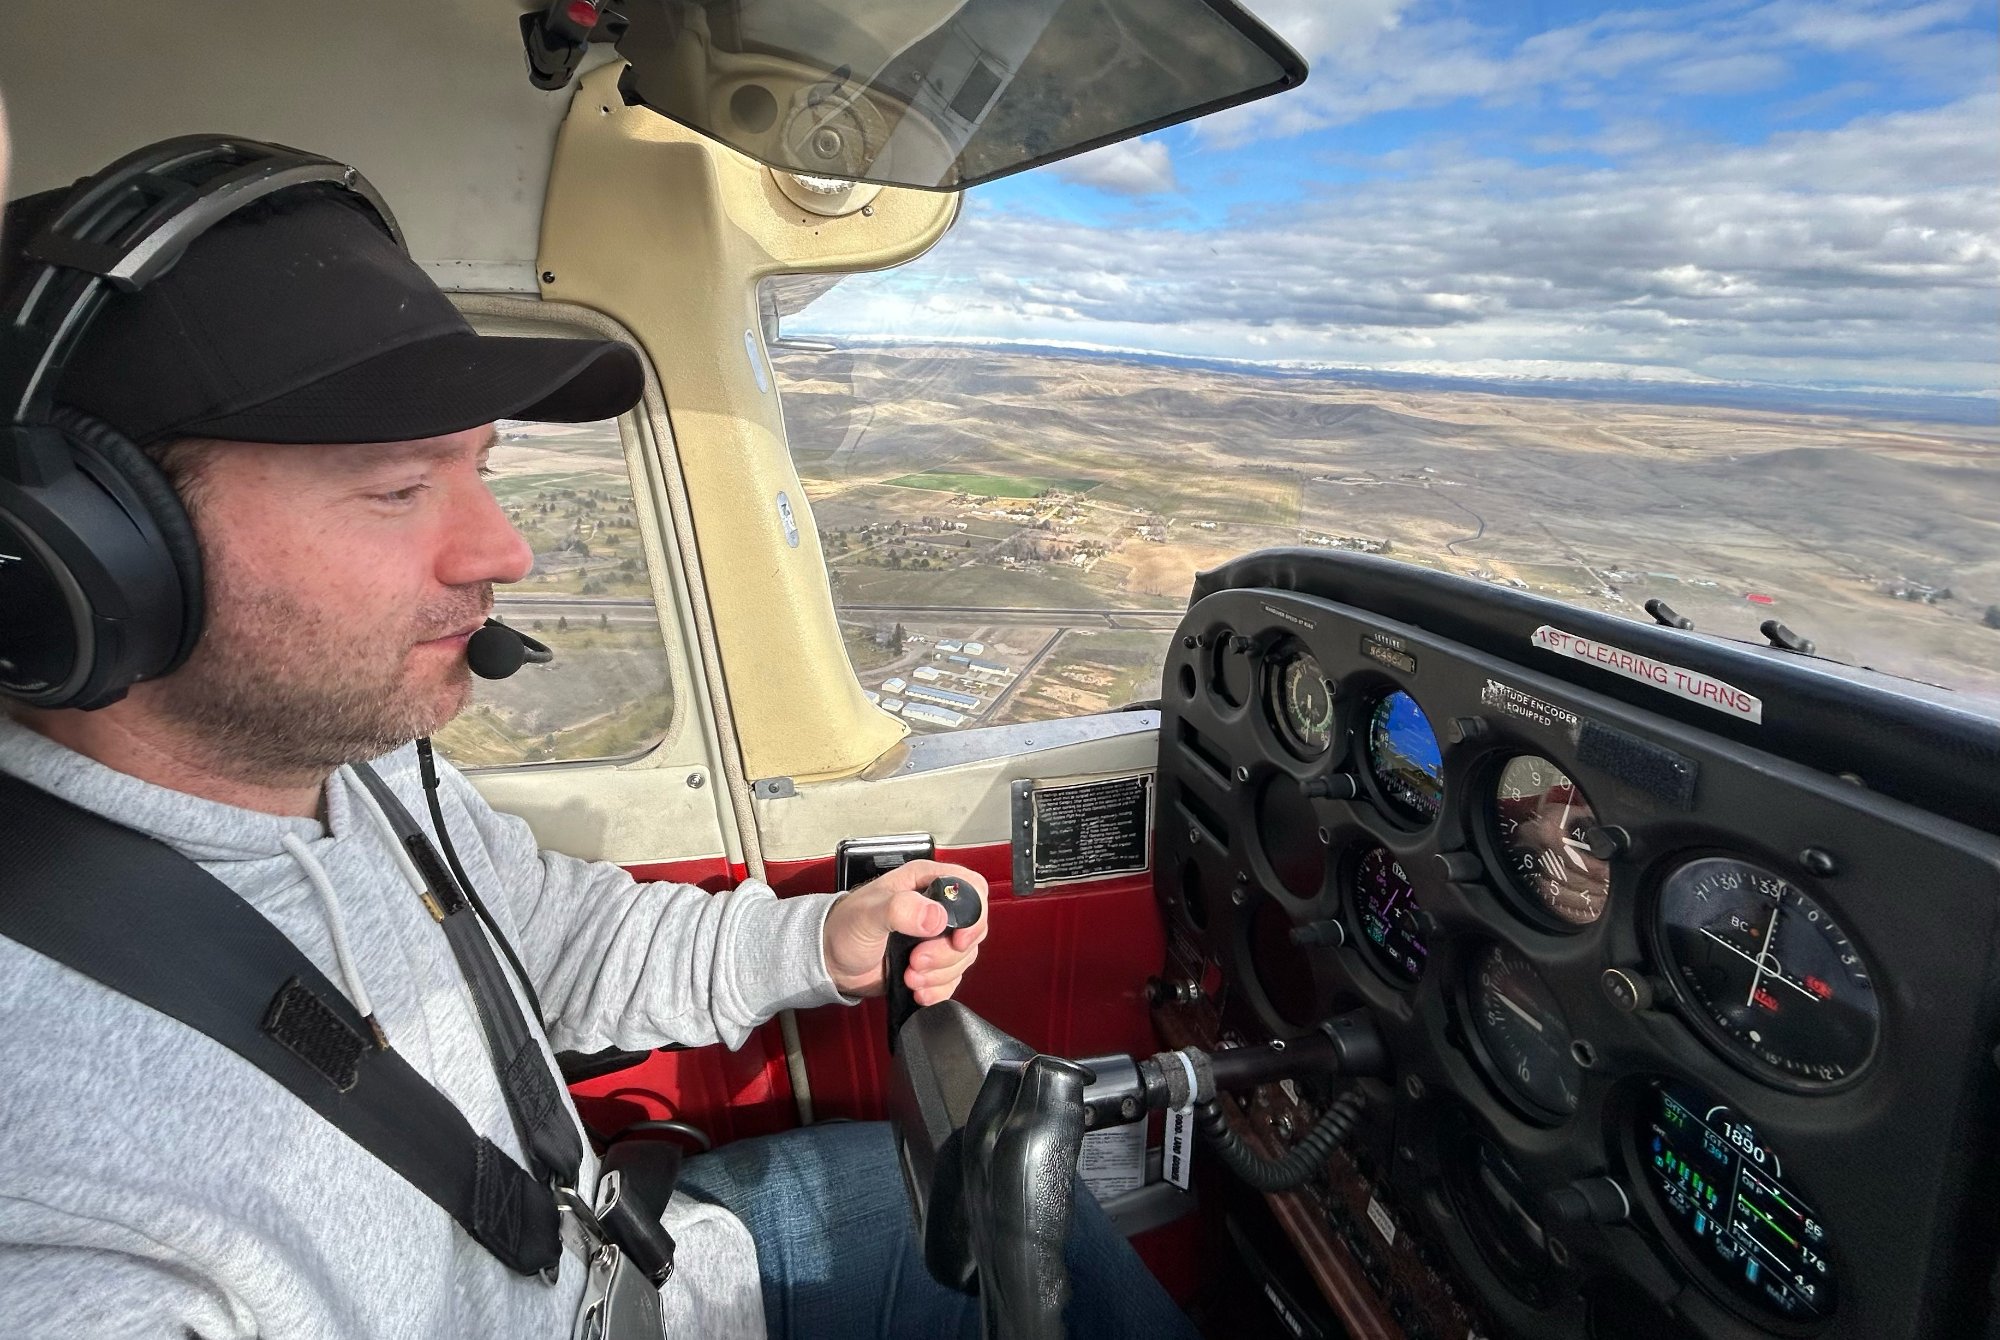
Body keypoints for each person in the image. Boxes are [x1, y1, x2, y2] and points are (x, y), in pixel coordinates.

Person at [0, 154, 1196, 1340]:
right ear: (90, 554)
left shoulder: (346, 765)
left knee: (1030, 1208)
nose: (501, 551)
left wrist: (819, 938)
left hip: (621, 1271)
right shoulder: (59, 1196)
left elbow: (547, 939)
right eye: (395, 488)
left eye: (480, 465)